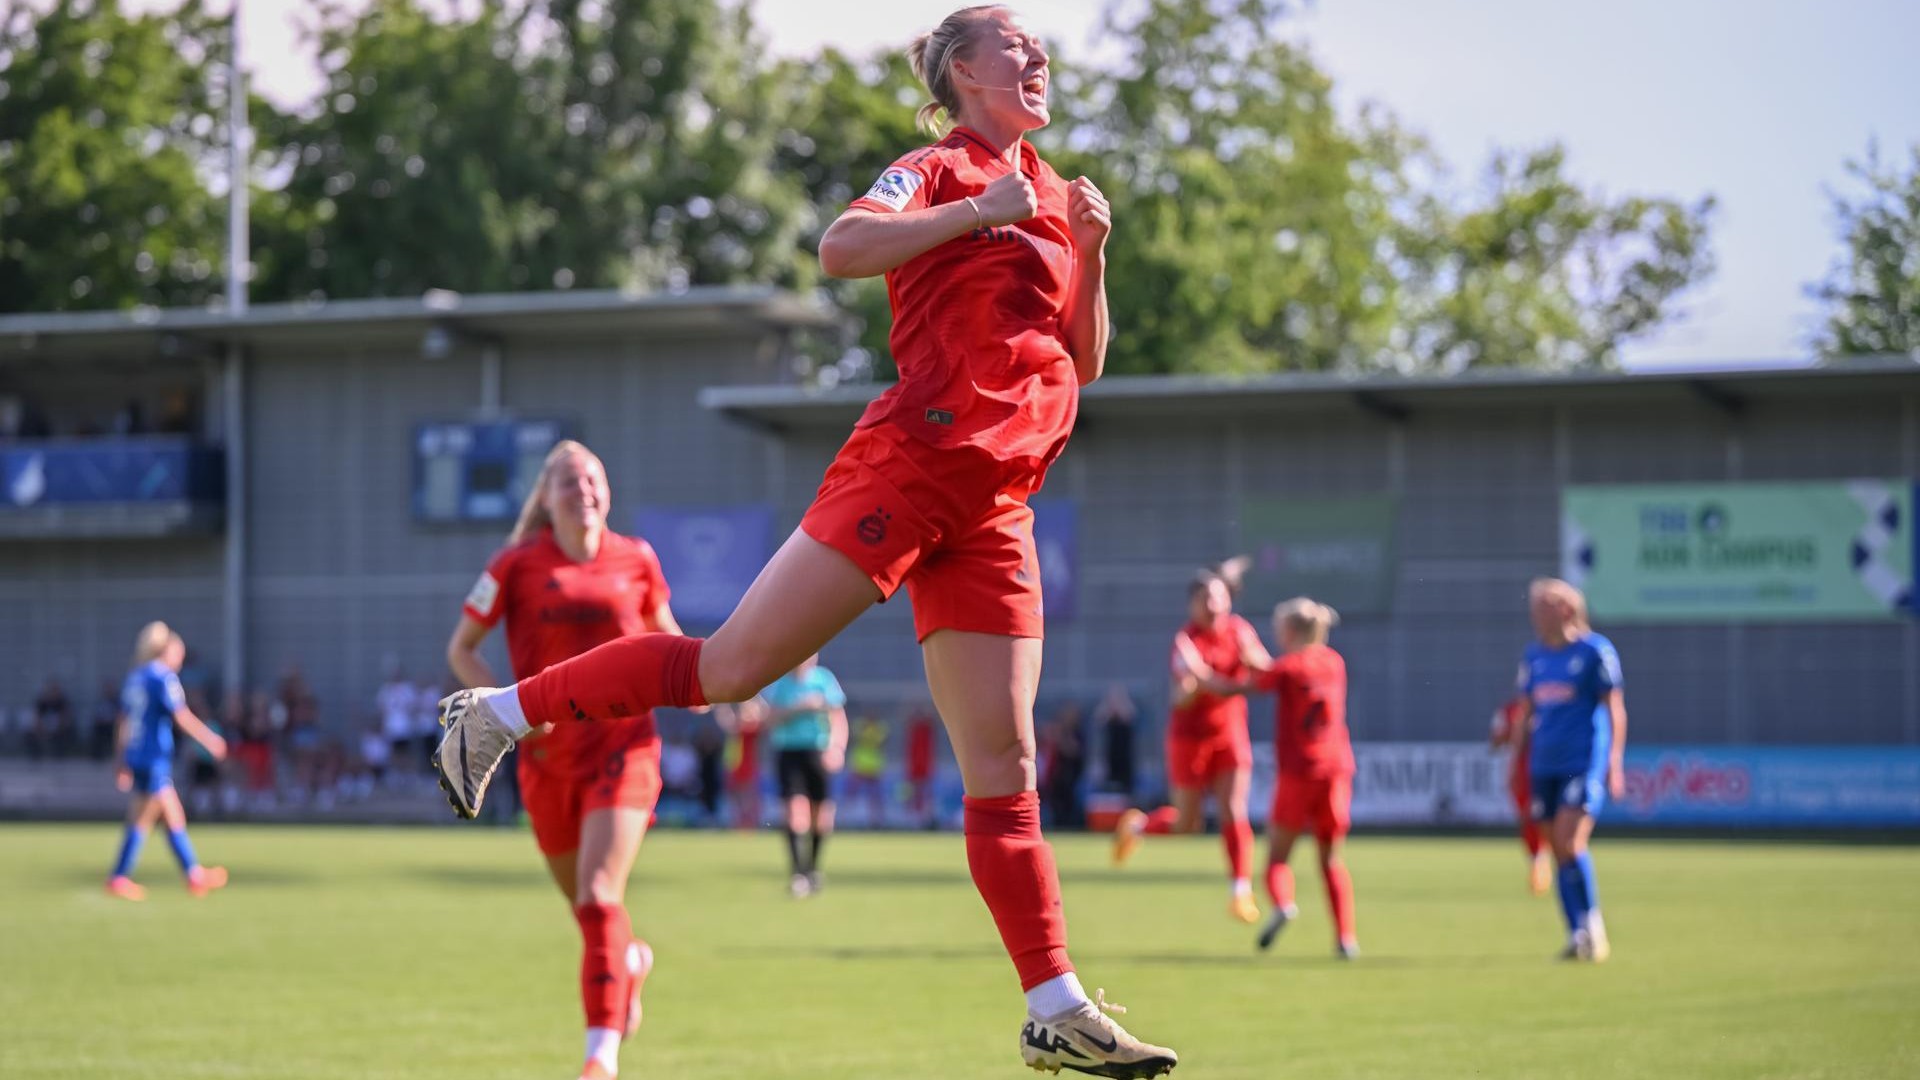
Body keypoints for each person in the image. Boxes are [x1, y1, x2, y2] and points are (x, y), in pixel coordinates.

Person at [431, 8, 1174, 1075]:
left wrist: (1092, 253)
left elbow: (1083, 362)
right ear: (962, 71)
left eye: (1039, 46)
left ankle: (1053, 1004)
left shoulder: (1057, 195)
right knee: (731, 667)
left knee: (1004, 765)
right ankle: (494, 713)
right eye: (1015, 44)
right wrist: (977, 215)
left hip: (998, 507)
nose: (1039, 56)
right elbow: (840, 248)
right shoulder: (935, 168)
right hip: (913, 464)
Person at [446, 440, 687, 1080]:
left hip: (625, 747)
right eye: (570, 481)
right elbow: (462, 648)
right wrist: (503, 710)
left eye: (594, 479)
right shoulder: (514, 564)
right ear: (547, 499)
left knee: (600, 893)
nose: (584, 489)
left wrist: (708, 683)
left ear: (608, 494)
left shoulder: (637, 558)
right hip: (546, 759)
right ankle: (628, 964)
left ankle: (599, 1059)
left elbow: (668, 639)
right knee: (588, 912)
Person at [1112, 561, 1271, 925]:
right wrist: (1200, 684)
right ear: (1193, 605)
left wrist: (1242, 673)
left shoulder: (1240, 631)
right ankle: (1136, 827)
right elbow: (1180, 698)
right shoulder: (1186, 641)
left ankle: (1240, 892)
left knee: (1234, 808)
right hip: (1189, 738)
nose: (1213, 604)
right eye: (1204, 599)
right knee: (1187, 823)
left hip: (1229, 733)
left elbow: (1263, 669)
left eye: (1217, 596)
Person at [1517, 578, 1628, 962]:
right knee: (1556, 848)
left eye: (1542, 608)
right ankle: (1576, 932)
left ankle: (1592, 926)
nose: (1535, 616)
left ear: (1565, 609)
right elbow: (1526, 711)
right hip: (1542, 763)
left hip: (1580, 762)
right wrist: (1515, 761)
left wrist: (1614, 762)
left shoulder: (1595, 651)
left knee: (1570, 842)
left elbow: (1614, 708)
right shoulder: (1534, 656)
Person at [1249, 599, 1358, 958]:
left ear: (1291, 630)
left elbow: (1256, 679)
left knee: (1277, 859)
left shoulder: (1289, 667)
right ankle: (1345, 938)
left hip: (1299, 773)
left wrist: (1208, 673)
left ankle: (1283, 903)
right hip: (1336, 771)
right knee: (1330, 860)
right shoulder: (1335, 662)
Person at [105, 622, 229, 901]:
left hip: (138, 755)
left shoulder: (136, 677)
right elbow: (181, 715)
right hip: (153, 756)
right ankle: (120, 877)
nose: (180, 661)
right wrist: (210, 739)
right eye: (178, 655)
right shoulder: (163, 678)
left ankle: (192, 874)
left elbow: (123, 721)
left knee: (168, 815)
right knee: (144, 819)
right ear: (165, 650)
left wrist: (121, 759)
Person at [756, 654, 849, 896]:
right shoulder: (780, 683)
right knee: (796, 812)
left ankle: (812, 870)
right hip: (789, 752)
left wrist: (836, 748)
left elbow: (838, 717)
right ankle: (798, 874)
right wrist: (798, 707)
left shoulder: (824, 679)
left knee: (822, 816)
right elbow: (769, 719)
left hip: (818, 751)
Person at [1491, 695, 1553, 895]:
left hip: (1545, 770)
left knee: (1541, 817)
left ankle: (1544, 863)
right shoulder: (1509, 711)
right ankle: (1537, 863)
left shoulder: (1550, 708)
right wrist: (1513, 730)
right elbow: (1495, 742)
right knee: (1527, 819)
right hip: (1520, 774)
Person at [845, 716, 891, 828]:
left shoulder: (879, 729)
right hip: (860, 764)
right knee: (851, 793)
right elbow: (851, 735)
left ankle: (877, 821)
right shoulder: (860, 725)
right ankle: (846, 818)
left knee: (875, 796)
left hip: (874, 766)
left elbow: (883, 741)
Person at [1092, 683, 1137, 797]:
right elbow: (1098, 719)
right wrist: (1109, 707)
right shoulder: (1108, 718)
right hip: (1110, 760)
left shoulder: (1126, 715)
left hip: (1125, 762)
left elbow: (1130, 716)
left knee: (1125, 791)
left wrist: (1121, 704)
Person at [905, 706, 938, 829]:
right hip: (914, 765)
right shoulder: (913, 729)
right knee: (914, 793)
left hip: (925, 766)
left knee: (926, 793)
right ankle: (915, 817)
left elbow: (933, 719)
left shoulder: (927, 729)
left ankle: (926, 817)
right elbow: (905, 717)